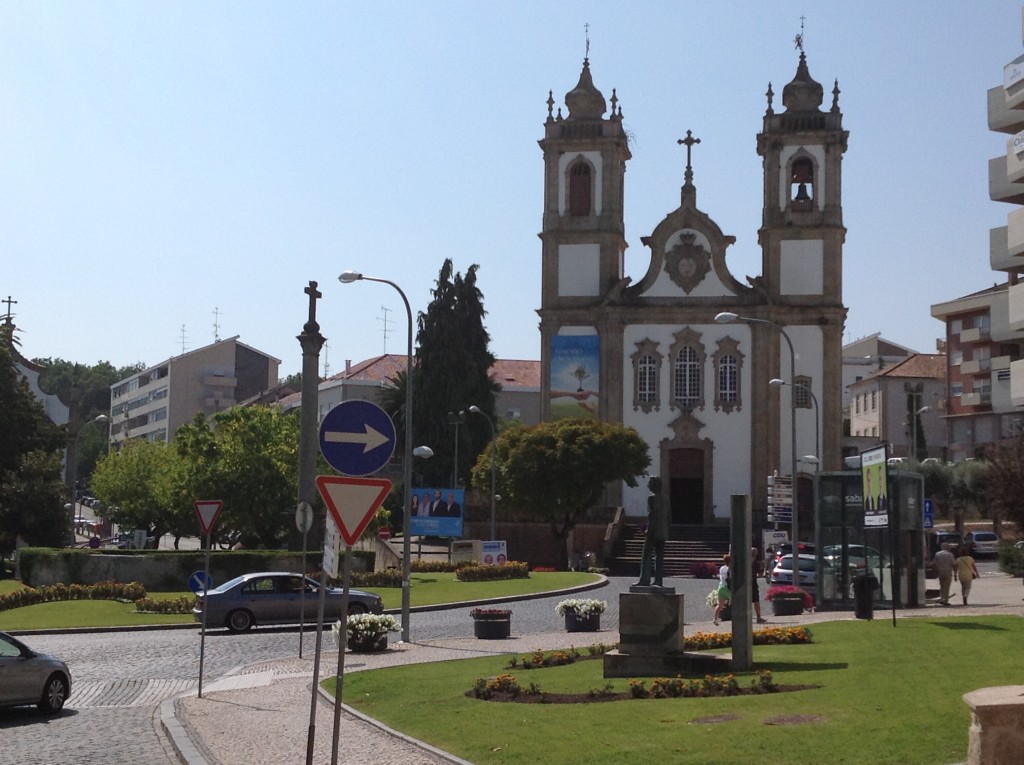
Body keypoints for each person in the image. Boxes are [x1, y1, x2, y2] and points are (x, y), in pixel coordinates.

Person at [633, 476, 669, 588]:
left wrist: (648, 530)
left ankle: (644, 579)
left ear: (654, 485)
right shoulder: (666, 499)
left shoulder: (651, 498)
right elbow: (669, 516)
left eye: (650, 483)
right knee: (659, 557)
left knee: (646, 555)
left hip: (653, 532)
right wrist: (666, 529)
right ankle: (658, 581)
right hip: (663, 532)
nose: (648, 485)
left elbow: (651, 515)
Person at [713, 552, 732, 626]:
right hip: (728, 587)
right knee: (737, 602)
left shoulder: (722, 568)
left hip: (721, 587)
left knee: (720, 604)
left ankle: (715, 618)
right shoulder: (730, 569)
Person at [751, 547, 767, 623]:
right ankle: (758, 617)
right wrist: (763, 566)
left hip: (744, 583)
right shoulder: (757, 563)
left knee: (745, 601)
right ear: (756, 554)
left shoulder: (745, 561)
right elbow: (760, 575)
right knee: (756, 601)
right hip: (753, 583)